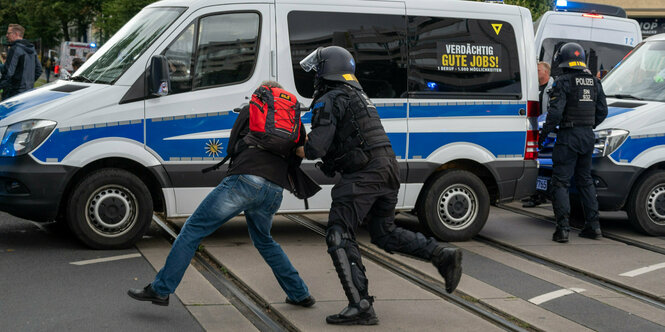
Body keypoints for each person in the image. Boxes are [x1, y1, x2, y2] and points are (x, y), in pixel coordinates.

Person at [295, 46, 463, 325]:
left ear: (327, 72)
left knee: (338, 233)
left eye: (317, 70)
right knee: (383, 233)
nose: (314, 76)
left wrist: (291, 146)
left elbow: (315, 147)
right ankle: (440, 254)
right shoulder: (358, 97)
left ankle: (360, 305)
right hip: (387, 168)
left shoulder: (330, 99)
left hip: (365, 174)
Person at [128, 81, 316, 308]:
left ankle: (160, 289)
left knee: (193, 230)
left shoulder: (252, 110)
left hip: (246, 179)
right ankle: (299, 293)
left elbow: (232, 148)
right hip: (274, 189)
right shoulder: (294, 123)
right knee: (265, 241)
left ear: (262, 96)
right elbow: (298, 157)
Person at [538, 42, 608, 243]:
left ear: (563, 60)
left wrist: (543, 136)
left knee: (560, 182)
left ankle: (563, 230)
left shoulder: (563, 82)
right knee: (585, 181)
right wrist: (588, 125)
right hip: (587, 137)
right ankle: (594, 227)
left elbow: (555, 114)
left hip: (568, 137)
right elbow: (603, 111)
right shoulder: (594, 82)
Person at [523, 61, 555, 208]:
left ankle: (539, 195)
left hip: (547, 132)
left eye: (538, 70)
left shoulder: (552, 88)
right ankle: (534, 193)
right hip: (536, 129)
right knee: (535, 164)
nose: (535, 72)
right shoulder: (534, 87)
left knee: (542, 165)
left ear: (546, 72)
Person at [0, 24, 42, 99]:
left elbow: (8, 73)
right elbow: (39, 70)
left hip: (14, 93)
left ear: (16, 34)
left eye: (8, 33)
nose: (6, 35)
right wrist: (28, 84)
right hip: (28, 92)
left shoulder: (15, 48)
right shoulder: (31, 48)